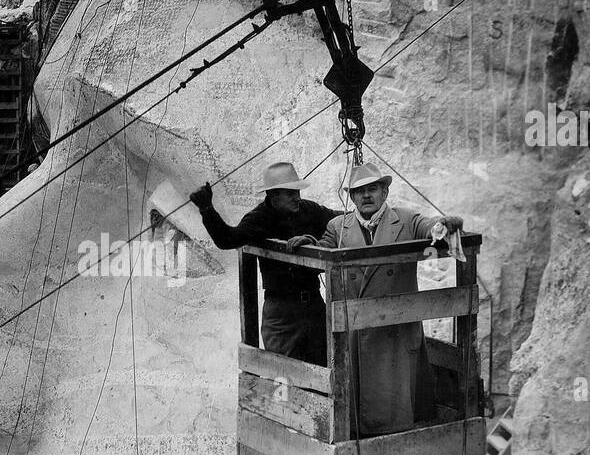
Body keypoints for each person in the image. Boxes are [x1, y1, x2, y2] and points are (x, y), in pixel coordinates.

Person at [308, 164, 463, 437]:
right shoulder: (338, 227)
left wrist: (442, 224)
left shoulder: (405, 220)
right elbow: (321, 250)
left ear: (385, 191)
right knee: (358, 414)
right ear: (352, 197)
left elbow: (429, 228)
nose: (366, 196)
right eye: (359, 191)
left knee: (397, 409)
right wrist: (306, 242)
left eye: (372, 189)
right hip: (357, 332)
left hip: (397, 333)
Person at [190, 162, 339, 365]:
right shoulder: (258, 219)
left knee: (325, 367)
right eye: (290, 193)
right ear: (273, 195)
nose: (297, 197)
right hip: (282, 313)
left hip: (314, 307)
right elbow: (227, 239)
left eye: (297, 192)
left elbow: (338, 220)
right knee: (283, 375)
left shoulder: (308, 209)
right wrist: (207, 209)